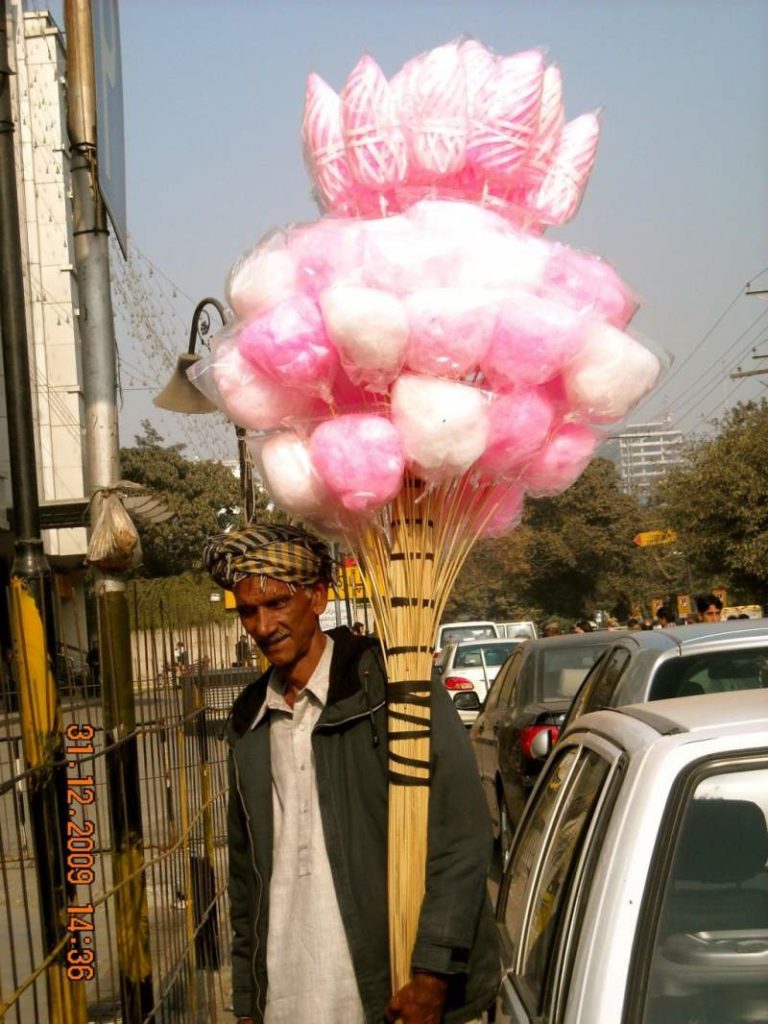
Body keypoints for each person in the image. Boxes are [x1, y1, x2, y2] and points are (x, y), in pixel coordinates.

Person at [203, 523, 499, 1024]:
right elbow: (244, 878)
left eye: (277, 604)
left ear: (317, 597)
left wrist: (432, 973)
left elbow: (462, 835)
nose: (261, 625)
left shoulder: (392, 686)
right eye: (249, 611)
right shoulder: (249, 719)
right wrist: (250, 999)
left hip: (389, 991)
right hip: (291, 997)